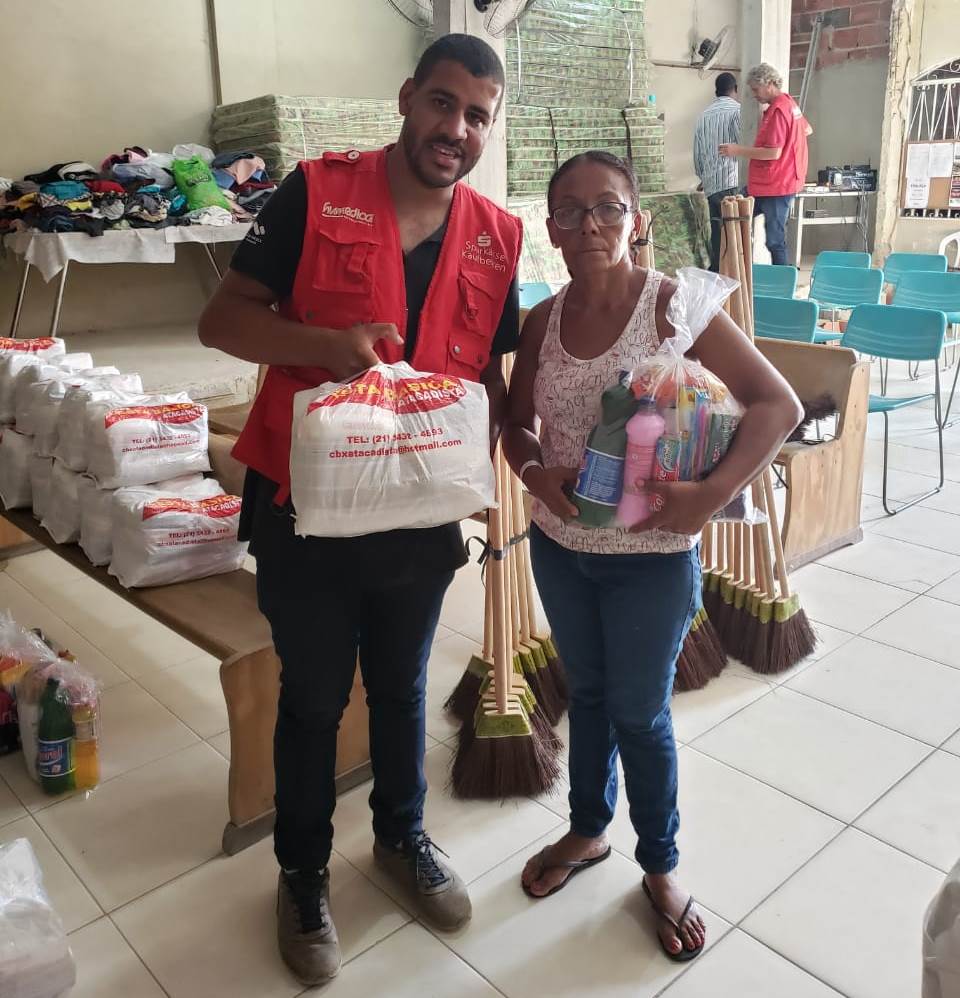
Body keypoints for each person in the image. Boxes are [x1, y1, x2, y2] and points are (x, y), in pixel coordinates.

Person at [198, 34, 522, 987]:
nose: (455, 129)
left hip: (420, 512)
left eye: (476, 116)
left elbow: (488, 378)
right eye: (443, 103)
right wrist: (327, 344)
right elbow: (221, 320)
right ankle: (302, 874)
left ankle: (401, 837)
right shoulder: (316, 191)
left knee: (403, 685)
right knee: (312, 697)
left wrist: (498, 469)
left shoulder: (497, 236)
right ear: (408, 97)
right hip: (309, 501)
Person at [502, 151, 801, 962]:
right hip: (561, 549)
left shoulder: (675, 308)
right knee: (589, 694)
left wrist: (712, 494)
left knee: (639, 711)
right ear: (551, 229)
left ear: (637, 219)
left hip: (653, 556)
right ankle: (588, 829)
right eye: (570, 211)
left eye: (608, 207)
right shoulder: (542, 320)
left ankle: (660, 866)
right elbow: (517, 425)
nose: (590, 224)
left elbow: (777, 403)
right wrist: (535, 473)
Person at [719, 62, 812, 266]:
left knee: (774, 240)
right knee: (734, 215)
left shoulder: (779, 110)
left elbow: (772, 152)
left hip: (777, 184)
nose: (754, 95)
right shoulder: (790, 105)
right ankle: (739, 268)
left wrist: (737, 150)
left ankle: (783, 279)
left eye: (756, 89)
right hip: (769, 183)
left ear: (769, 84)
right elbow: (807, 129)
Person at [693, 72, 741, 272]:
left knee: (717, 235)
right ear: (735, 89)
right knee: (736, 236)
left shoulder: (703, 116)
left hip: (712, 186)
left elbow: (697, 153)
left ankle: (717, 276)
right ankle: (736, 277)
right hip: (732, 182)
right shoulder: (737, 111)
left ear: (716, 91)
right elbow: (742, 146)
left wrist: (703, 177)